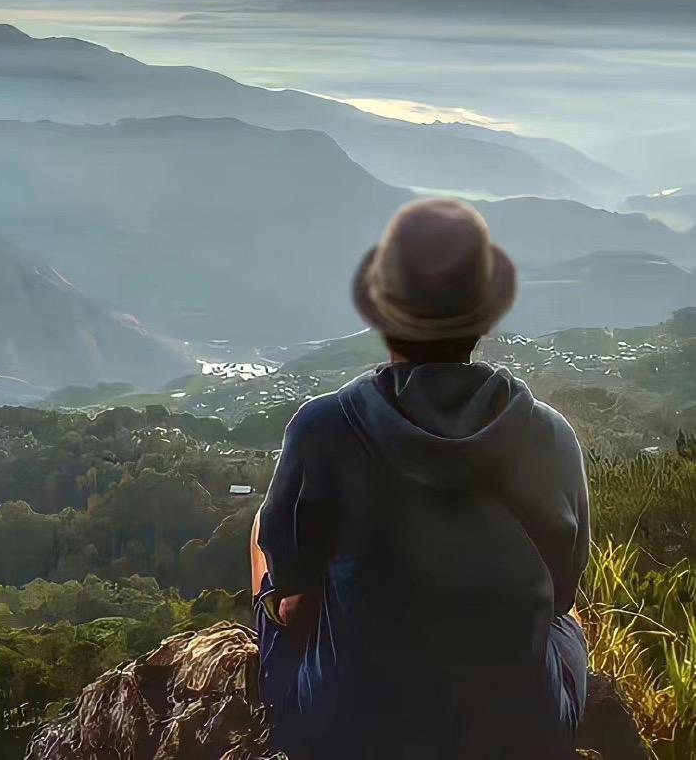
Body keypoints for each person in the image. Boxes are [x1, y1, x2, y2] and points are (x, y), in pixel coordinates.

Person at [250, 198, 590, 760]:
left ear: (384, 315)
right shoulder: (550, 436)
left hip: (344, 731)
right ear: (484, 318)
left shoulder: (323, 428)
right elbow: (560, 597)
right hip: (521, 732)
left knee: (263, 527)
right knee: (571, 620)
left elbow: (294, 604)